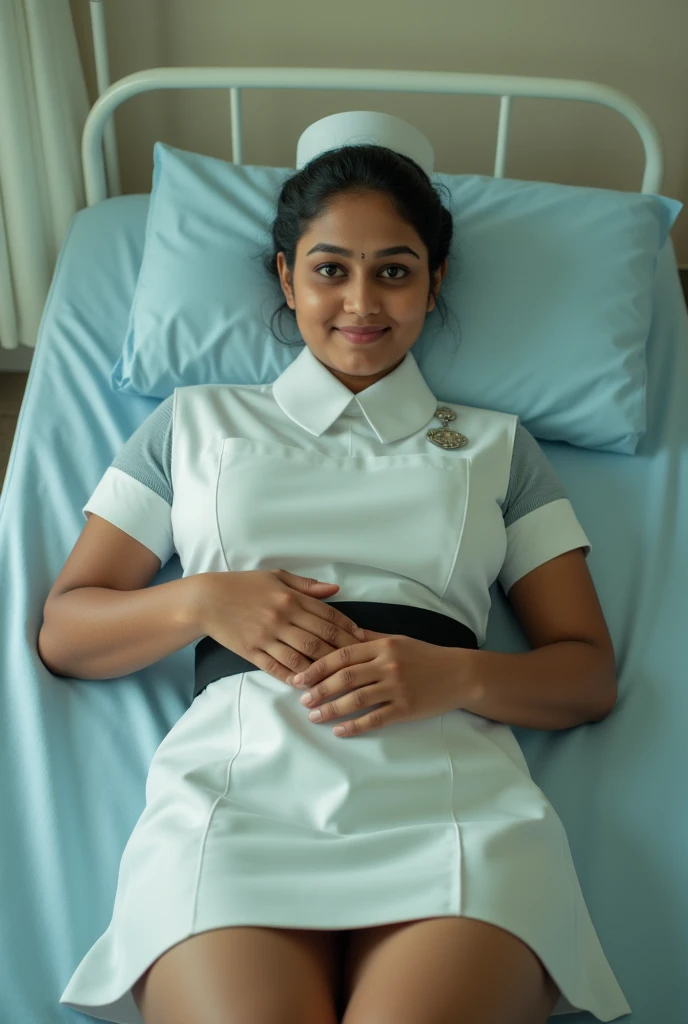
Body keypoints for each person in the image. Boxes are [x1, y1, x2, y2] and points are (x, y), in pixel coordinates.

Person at [47, 111, 632, 1024]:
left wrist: (459, 674)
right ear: (287, 276)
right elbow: (66, 631)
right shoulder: (192, 425)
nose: (362, 303)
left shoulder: (497, 449)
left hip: (451, 800)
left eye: (394, 271)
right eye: (331, 269)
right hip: (237, 793)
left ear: (434, 284)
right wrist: (201, 600)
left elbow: (587, 673)